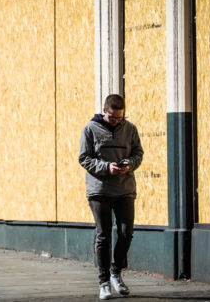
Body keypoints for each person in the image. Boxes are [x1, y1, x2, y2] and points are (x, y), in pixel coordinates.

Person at [78, 94, 144, 300]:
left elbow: (138, 153)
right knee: (104, 235)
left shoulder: (130, 128)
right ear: (104, 111)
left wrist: (129, 164)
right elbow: (84, 158)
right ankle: (103, 282)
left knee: (126, 233)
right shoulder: (90, 129)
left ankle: (116, 273)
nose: (116, 121)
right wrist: (107, 167)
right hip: (99, 190)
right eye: (113, 117)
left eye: (120, 117)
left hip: (125, 189)